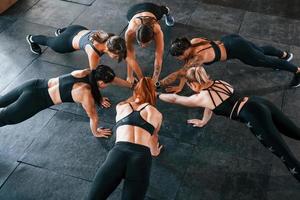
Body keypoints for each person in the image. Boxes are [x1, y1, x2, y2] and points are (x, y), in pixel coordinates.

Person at [157, 66, 300, 182]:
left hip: (254, 116)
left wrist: (156, 95)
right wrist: (204, 121)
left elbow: (176, 99)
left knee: (286, 157)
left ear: (192, 84)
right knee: (296, 132)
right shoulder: (219, 82)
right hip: (259, 102)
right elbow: (211, 104)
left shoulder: (201, 97)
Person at [86, 77, 163, 200]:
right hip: (141, 157)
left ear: (135, 92)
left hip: (118, 154)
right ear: (153, 93)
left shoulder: (121, 106)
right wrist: (154, 151)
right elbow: (154, 137)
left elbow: (134, 101)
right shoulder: (156, 114)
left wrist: (138, 94)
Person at [0, 65, 119, 137]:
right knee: (4, 119)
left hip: (33, 84)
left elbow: (93, 86)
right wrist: (96, 132)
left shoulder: (86, 72)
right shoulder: (85, 94)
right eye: (107, 84)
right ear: (101, 83)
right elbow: (94, 117)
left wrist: (100, 98)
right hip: (33, 101)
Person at [161, 34, 300, 93]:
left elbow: (182, 72)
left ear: (185, 51)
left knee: (265, 61)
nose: (178, 59)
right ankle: (285, 55)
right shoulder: (194, 41)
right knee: (259, 50)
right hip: (231, 39)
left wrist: (158, 84)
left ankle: (297, 71)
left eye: (179, 56)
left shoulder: (198, 57)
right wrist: (179, 87)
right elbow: (186, 70)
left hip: (237, 49)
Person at [26, 25, 127, 70]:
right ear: (109, 49)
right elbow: (93, 75)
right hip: (64, 43)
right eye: (117, 55)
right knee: (49, 41)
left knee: (67, 34)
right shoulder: (94, 54)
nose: (118, 57)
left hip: (77, 28)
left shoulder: (110, 37)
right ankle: (31, 38)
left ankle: (61, 32)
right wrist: (99, 98)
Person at [124, 2, 175, 86]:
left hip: (152, 9)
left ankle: (166, 11)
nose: (143, 46)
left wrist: (155, 78)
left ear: (152, 37)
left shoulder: (157, 30)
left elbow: (158, 56)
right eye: (140, 43)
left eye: (146, 44)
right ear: (136, 36)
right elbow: (129, 54)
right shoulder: (130, 32)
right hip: (133, 11)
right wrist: (130, 76)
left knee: (164, 11)